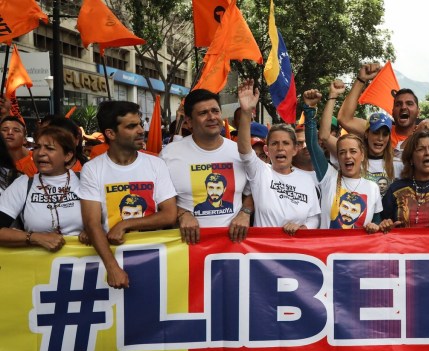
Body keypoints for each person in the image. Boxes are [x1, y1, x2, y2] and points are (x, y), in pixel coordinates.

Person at [79, 101, 177, 290]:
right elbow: (91, 224)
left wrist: (125, 224)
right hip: (112, 259)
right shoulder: (92, 169)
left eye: (140, 124)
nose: (141, 130)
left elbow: (169, 214)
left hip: (155, 258)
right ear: (111, 134)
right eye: (132, 126)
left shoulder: (156, 164)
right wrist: (112, 267)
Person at [160, 89, 253, 245]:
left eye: (215, 111)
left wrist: (245, 213)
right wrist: (182, 214)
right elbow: (157, 201)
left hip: (233, 248)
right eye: (203, 113)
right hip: (185, 251)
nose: (212, 117)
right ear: (188, 122)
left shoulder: (241, 152)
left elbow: (257, 189)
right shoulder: (169, 155)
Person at [236, 80, 320, 234]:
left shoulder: (307, 180)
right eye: (275, 143)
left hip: (297, 252)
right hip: (264, 251)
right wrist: (246, 112)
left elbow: (314, 217)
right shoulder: (260, 172)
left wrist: (303, 228)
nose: (280, 148)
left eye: (286, 143)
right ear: (267, 150)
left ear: (295, 149)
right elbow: (244, 149)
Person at [302, 90, 382, 232]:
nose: (348, 156)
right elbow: (313, 145)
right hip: (327, 252)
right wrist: (310, 109)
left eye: (353, 151)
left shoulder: (373, 188)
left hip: (357, 253)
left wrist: (375, 226)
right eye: (342, 152)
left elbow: (377, 223)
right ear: (337, 157)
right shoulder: (329, 177)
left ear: (362, 155)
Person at [0, 126, 83, 251]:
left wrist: (93, 231)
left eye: (49, 148)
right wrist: (34, 237)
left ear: (68, 155)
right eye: (37, 147)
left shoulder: (85, 181)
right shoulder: (23, 184)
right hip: (38, 268)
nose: (40, 153)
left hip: (85, 266)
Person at [337, 63, 429, 149]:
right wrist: (361, 79)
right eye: (398, 104)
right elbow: (345, 119)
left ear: (418, 111)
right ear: (392, 111)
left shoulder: (427, 136)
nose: (403, 107)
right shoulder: (379, 132)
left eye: (409, 103)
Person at [381, 130, 429, 232]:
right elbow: (382, 222)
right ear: (410, 158)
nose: (428, 153)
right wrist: (385, 224)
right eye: (420, 149)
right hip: (403, 246)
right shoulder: (396, 188)